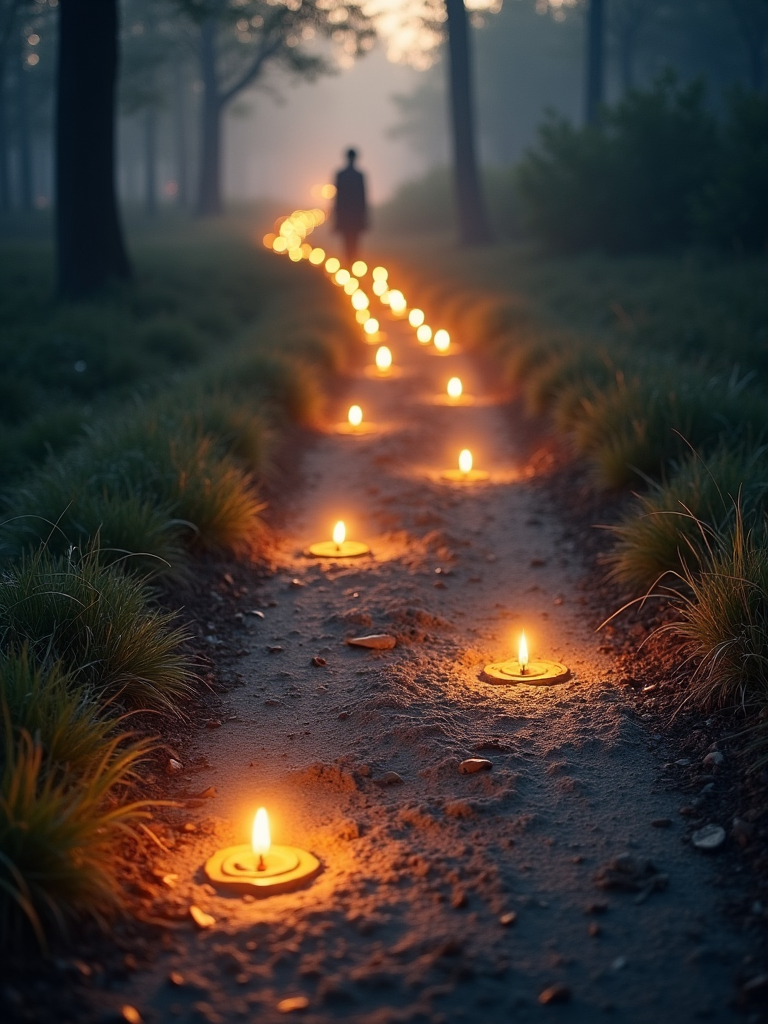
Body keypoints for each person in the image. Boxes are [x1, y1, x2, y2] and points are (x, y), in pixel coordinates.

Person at [333, 148, 368, 265]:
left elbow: (337, 198)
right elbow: (363, 198)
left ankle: (350, 263)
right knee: (354, 241)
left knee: (348, 241)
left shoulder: (340, 175)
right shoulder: (359, 175)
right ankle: (353, 263)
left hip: (346, 214)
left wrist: (336, 217)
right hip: (355, 214)